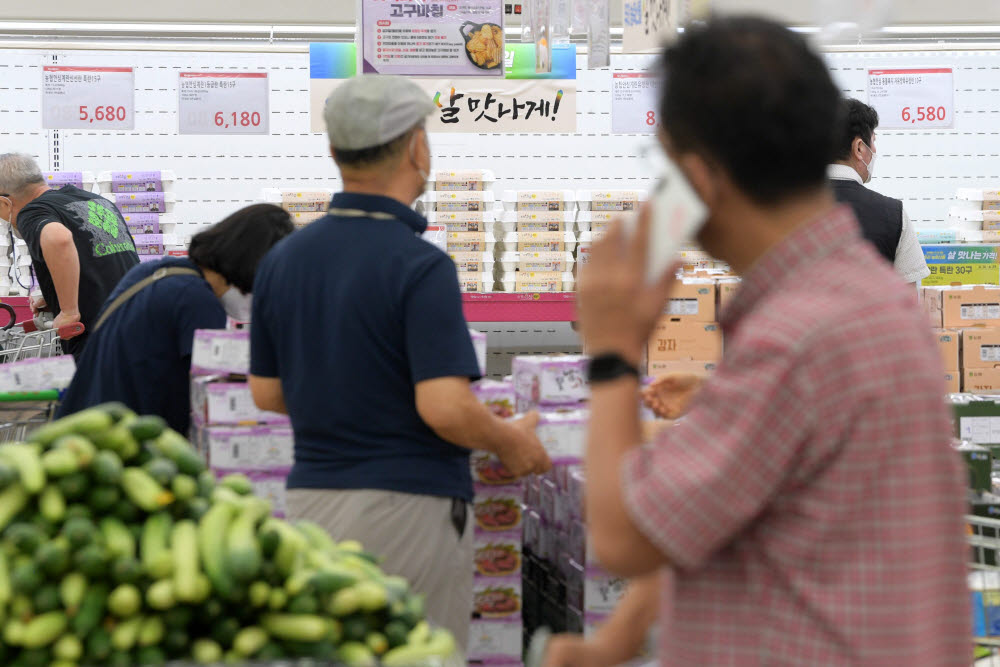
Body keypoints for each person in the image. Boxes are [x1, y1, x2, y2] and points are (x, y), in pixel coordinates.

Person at [568, 16, 970, 666]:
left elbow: (622, 534)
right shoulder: (859, 298)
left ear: (699, 176)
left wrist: (612, 348)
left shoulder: (795, 334)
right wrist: (724, 394)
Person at [248, 75, 552, 647]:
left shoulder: (283, 260)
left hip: (313, 501)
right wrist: (510, 442)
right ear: (417, 147)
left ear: (335, 152)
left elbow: (266, 393)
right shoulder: (420, 265)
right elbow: (443, 406)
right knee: (416, 652)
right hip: (406, 507)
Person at [57, 204, 293, 434]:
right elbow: (216, 393)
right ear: (252, 265)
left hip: (84, 425)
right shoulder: (197, 300)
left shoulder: (154, 272)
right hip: (125, 442)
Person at [0, 153, 140, 358]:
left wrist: (68, 311)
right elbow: (101, 264)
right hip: (138, 324)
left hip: (98, 341)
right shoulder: (95, 200)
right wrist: (54, 295)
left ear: (4, 202)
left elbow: (59, 239)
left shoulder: (32, 212)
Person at [830, 99, 929, 285]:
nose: (874, 150)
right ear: (859, 148)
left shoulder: (790, 210)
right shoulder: (894, 214)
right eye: (873, 141)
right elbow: (907, 303)